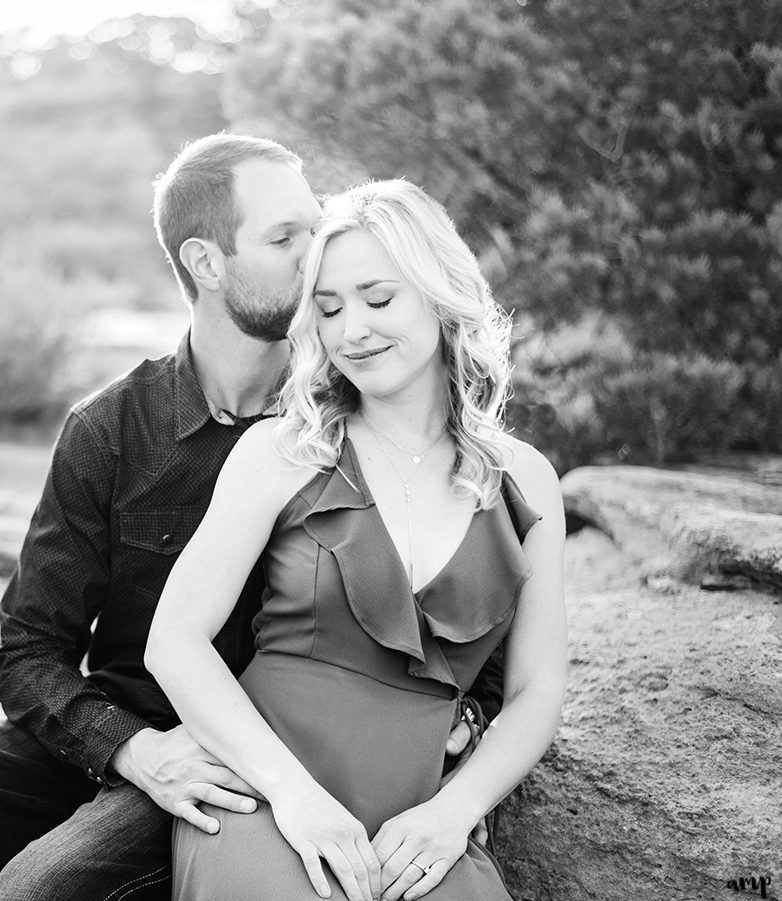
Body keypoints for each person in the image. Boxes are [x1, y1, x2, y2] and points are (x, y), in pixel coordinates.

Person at [0, 139, 495, 901]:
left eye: (316, 226)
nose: (316, 253)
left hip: (258, 757)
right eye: (284, 236)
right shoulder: (112, 427)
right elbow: (30, 649)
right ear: (206, 261)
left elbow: (461, 595)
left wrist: (464, 724)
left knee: (44, 888)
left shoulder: (359, 422)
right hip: (124, 734)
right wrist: (128, 748)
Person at [145, 180, 567, 901]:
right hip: (266, 795)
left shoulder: (525, 479)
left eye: (378, 298)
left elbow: (535, 690)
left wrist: (456, 808)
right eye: (330, 308)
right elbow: (175, 641)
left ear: (438, 292)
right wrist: (291, 795)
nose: (352, 331)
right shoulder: (281, 452)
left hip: (421, 817)